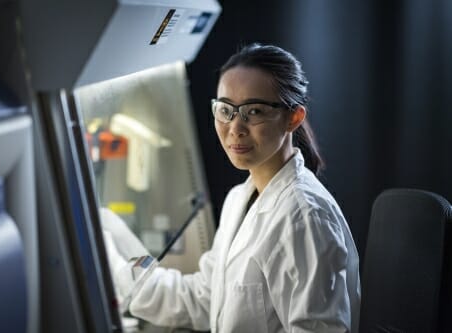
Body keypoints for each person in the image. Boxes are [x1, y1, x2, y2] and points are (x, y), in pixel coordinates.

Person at [104, 43, 361, 332]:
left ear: (294, 118)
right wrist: (116, 268)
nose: (235, 128)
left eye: (254, 111)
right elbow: (204, 299)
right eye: (225, 110)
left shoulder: (304, 217)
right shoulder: (240, 198)